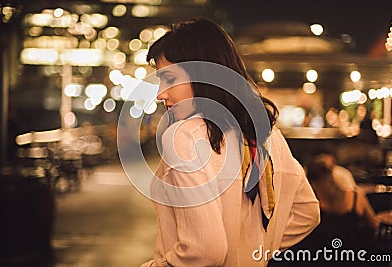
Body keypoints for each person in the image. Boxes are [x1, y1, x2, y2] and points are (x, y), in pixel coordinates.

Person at [141, 18, 320, 267]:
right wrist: (256, 248)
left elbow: (204, 251)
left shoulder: (186, 136)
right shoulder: (269, 135)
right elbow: (307, 213)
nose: (161, 93)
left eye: (170, 79)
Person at [306, 156, 379, 245]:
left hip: (322, 255)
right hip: (355, 254)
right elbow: (374, 225)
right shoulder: (356, 196)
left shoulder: (311, 203)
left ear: (312, 184)